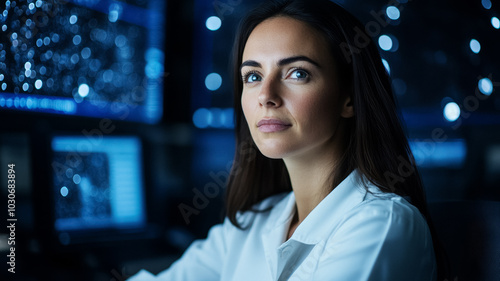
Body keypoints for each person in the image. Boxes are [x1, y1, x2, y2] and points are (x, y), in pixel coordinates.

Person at [130, 0, 447, 280]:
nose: (266, 96)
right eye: (253, 77)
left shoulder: (381, 224)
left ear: (349, 98)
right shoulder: (252, 222)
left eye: (297, 73)